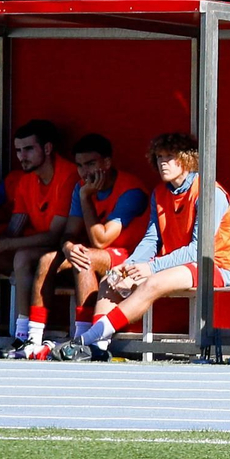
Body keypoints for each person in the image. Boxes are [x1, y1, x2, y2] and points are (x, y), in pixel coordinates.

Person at [60, 132, 230, 357]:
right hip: (172, 265)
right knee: (110, 280)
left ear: (187, 159)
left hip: (214, 266)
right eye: (159, 156)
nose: (163, 162)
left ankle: (85, 338)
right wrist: (129, 266)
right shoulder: (160, 192)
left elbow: (198, 250)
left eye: (170, 156)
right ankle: (97, 349)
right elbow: (152, 239)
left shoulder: (210, 192)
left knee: (152, 282)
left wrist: (150, 267)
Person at [0, 120, 77, 357]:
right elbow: (15, 227)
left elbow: (55, 235)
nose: (21, 156)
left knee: (22, 256)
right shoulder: (25, 180)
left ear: (47, 149)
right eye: (18, 150)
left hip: (69, 250)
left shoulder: (68, 175)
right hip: (35, 248)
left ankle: (22, 337)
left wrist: (4, 243)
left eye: (28, 149)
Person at [48, 133, 148, 347]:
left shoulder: (131, 190)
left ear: (107, 162)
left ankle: (86, 337)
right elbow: (70, 232)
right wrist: (67, 246)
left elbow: (101, 240)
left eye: (91, 164)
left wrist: (85, 198)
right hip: (103, 255)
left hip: (132, 256)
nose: (85, 171)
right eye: (80, 165)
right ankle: (29, 336)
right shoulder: (82, 187)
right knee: (45, 260)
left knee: (84, 258)